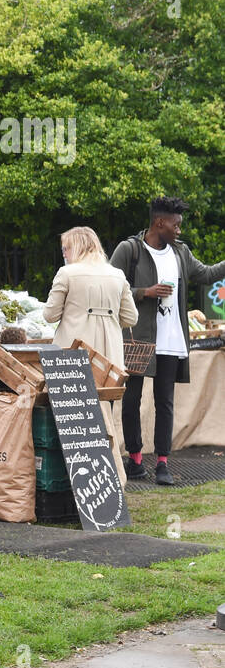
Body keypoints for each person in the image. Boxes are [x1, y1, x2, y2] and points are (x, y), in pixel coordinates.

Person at [110, 197, 225, 485]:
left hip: (172, 339)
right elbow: (110, 286)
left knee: (166, 402)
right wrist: (144, 293)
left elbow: (207, 274)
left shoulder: (180, 252)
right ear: (159, 223)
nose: (179, 230)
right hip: (138, 338)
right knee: (131, 400)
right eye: (176, 225)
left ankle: (162, 462)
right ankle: (135, 460)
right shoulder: (130, 249)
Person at [42, 226, 138, 484]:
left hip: (74, 355)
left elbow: (49, 315)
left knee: (73, 420)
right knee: (104, 418)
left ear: (74, 247)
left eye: (65, 248)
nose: (63, 253)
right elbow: (131, 317)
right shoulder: (117, 275)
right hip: (110, 360)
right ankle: (110, 478)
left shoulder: (67, 273)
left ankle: (70, 480)